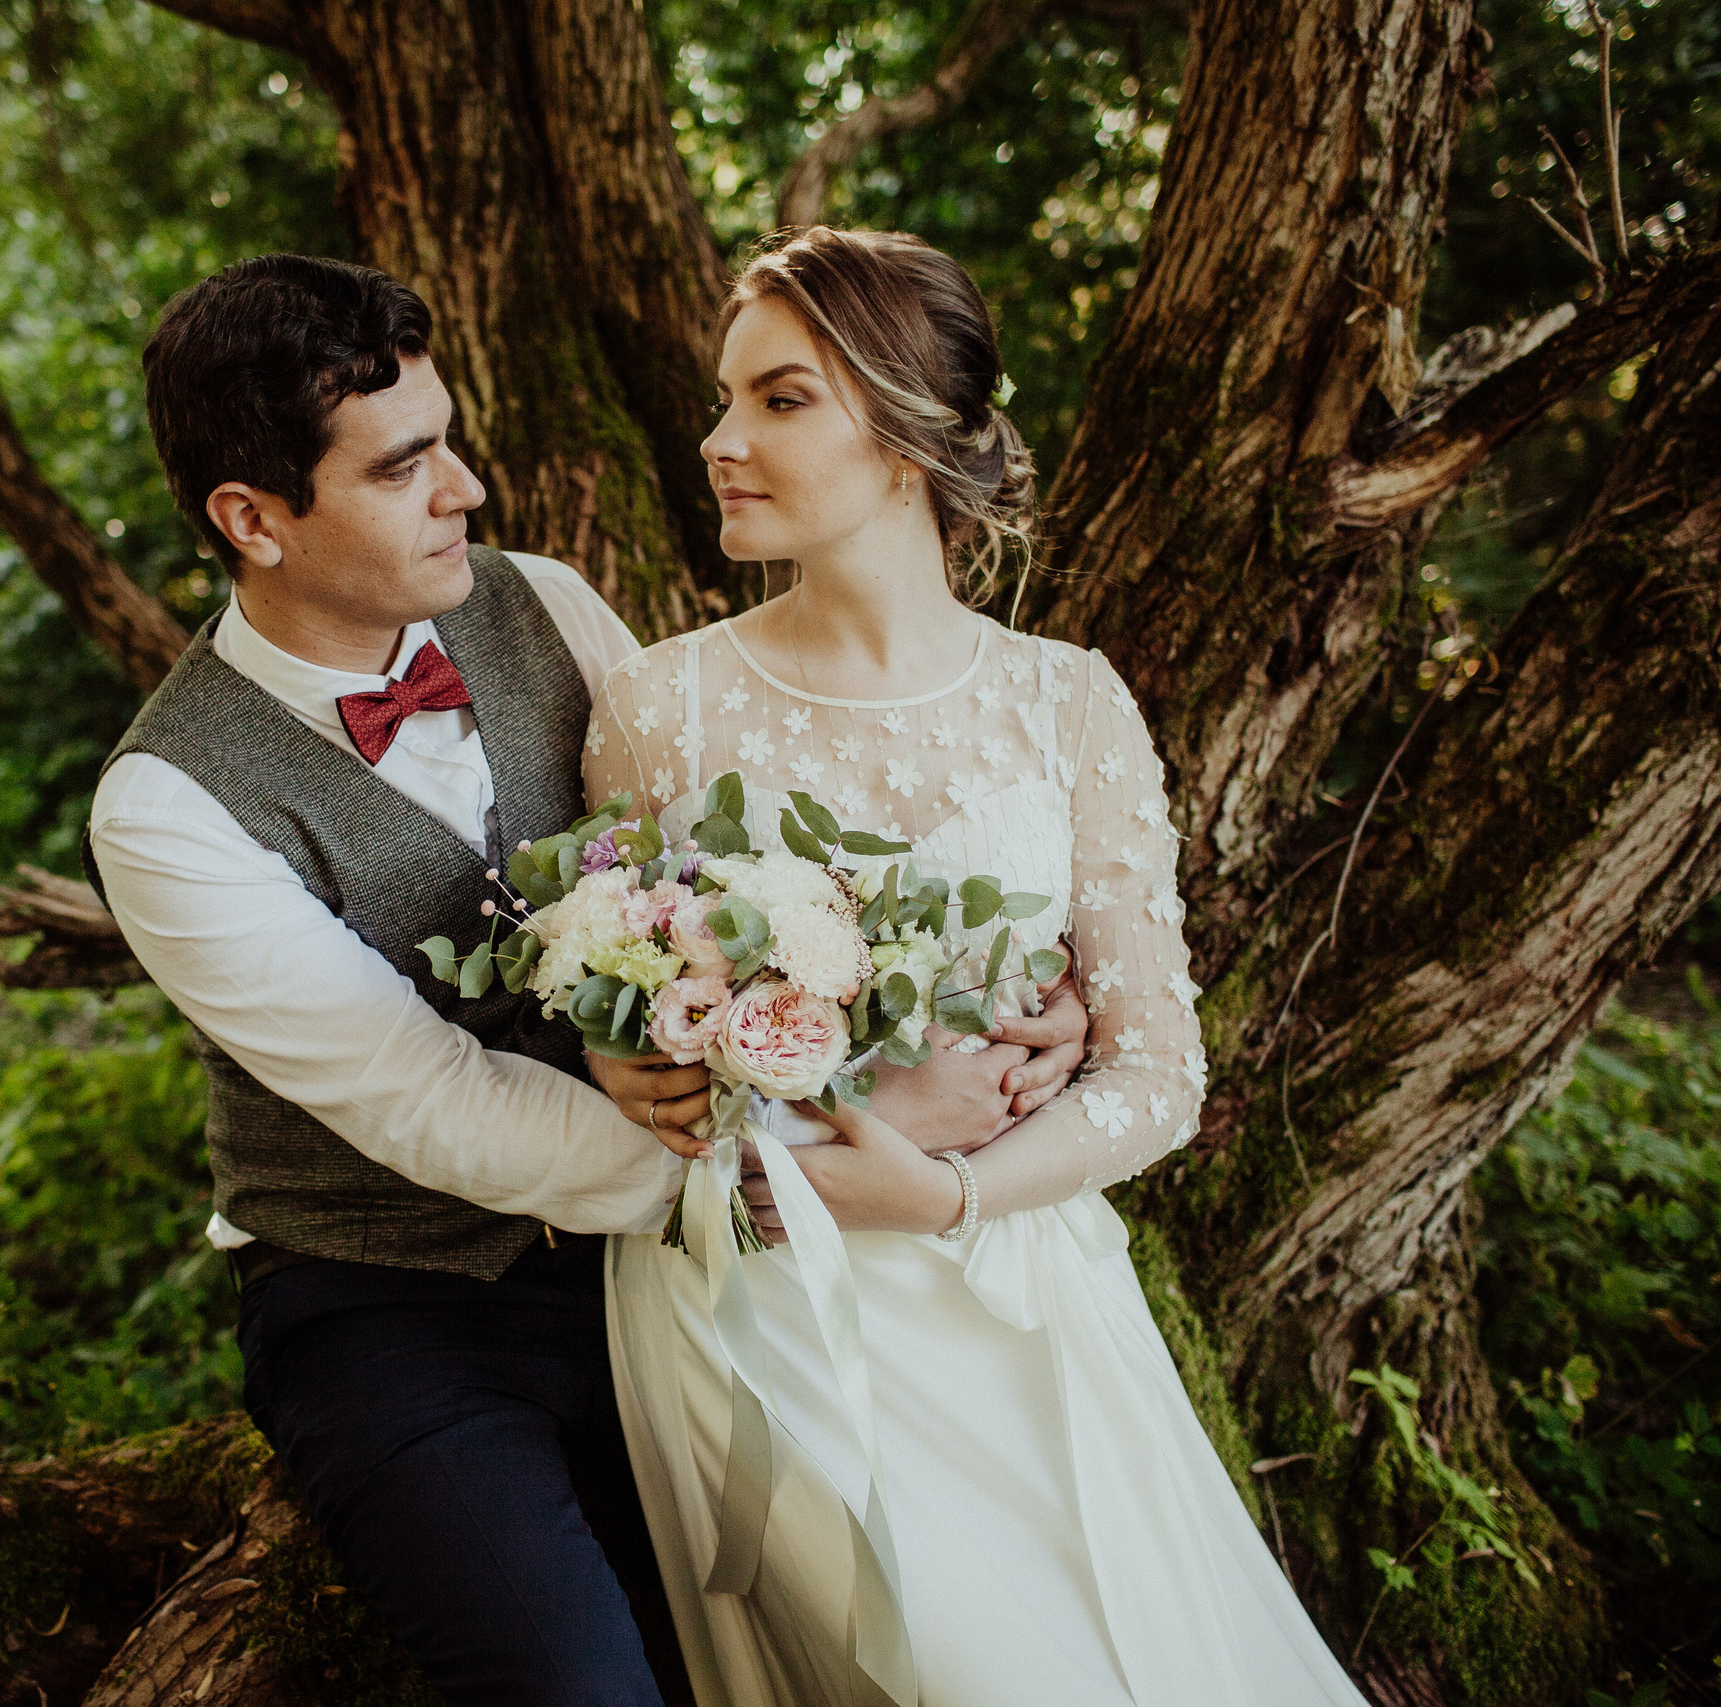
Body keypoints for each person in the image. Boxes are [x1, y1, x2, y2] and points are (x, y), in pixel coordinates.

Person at [81, 252, 1085, 1707]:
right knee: (574, 1684)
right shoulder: (168, 806)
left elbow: (735, 870)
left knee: (887, 1618)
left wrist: (991, 1002)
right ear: (255, 520)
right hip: (393, 1304)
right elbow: (435, 1103)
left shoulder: (544, 604)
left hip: (665, 1263)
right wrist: (813, 1159)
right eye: (405, 466)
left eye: (451, 439)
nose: (467, 490)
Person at [587, 227, 1375, 1707]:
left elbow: (1162, 1075)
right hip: (768, 1294)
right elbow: (631, 1011)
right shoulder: (659, 706)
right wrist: (629, 1060)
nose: (718, 440)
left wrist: (950, 1189)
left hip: (1027, 1287)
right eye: (725, 398)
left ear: (904, 438)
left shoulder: (1069, 705)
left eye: (778, 399)